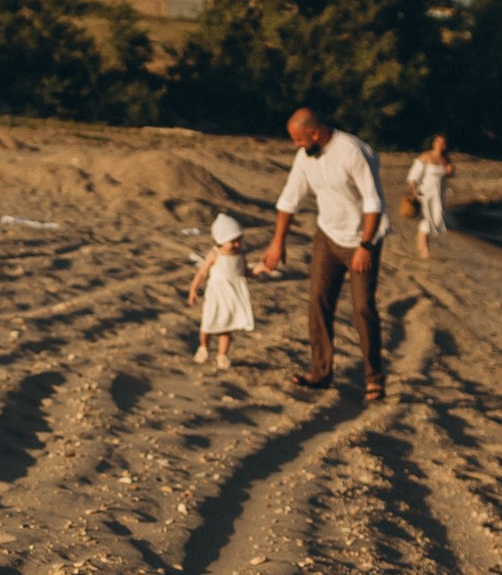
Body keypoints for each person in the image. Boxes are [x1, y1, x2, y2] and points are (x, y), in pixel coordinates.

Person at [257, 107, 388, 400]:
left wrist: (365, 246)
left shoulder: (354, 151)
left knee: (362, 308)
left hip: (362, 239)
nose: (296, 145)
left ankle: (374, 378)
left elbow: (374, 202)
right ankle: (321, 372)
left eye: (299, 139)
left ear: (315, 133)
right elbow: (289, 199)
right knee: (318, 302)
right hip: (327, 237)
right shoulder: (305, 157)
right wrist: (278, 242)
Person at [186, 211, 255, 370]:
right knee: (208, 323)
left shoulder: (240, 255)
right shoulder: (214, 254)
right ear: (222, 240)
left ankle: (222, 355)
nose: (237, 244)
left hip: (231, 296)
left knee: (226, 327)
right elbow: (202, 272)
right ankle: (203, 347)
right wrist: (193, 289)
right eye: (233, 241)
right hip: (216, 295)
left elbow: (246, 272)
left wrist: (262, 268)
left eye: (239, 240)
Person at [407, 134, 456, 260]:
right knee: (426, 220)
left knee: (436, 219)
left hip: (438, 195)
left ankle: (423, 247)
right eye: (439, 142)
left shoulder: (446, 158)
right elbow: (414, 176)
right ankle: (424, 249)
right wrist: (413, 191)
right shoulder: (426, 156)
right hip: (425, 193)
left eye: (443, 143)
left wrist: (450, 171)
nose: (441, 145)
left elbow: (450, 175)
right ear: (434, 143)